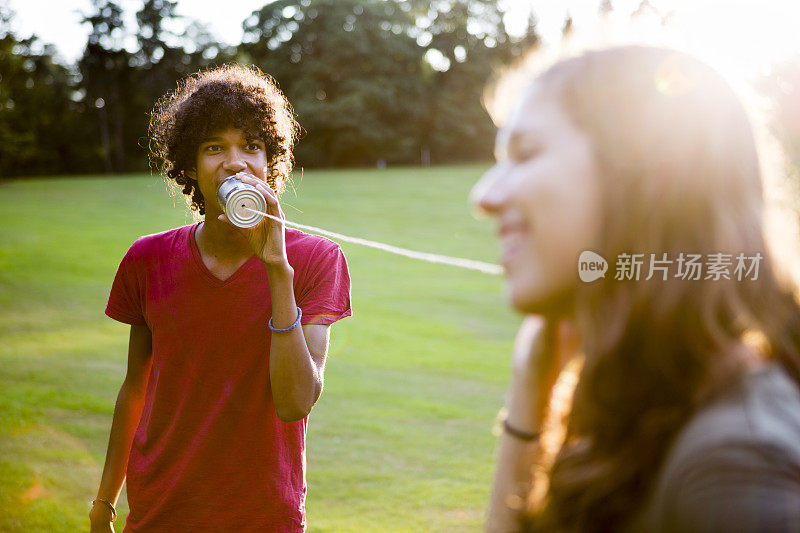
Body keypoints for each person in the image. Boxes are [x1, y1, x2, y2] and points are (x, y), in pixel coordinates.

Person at [472, 46, 800, 532]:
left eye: (527, 153)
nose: (485, 197)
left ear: (642, 176)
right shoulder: (640, 399)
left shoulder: (735, 464)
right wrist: (529, 395)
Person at [89, 65, 352, 532]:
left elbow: (295, 401)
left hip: (262, 517)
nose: (236, 162)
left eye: (251, 146)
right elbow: (136, 388)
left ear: (270, 163)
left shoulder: (315, 260)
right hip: (159, 512)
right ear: (189, 167)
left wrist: (276, 268)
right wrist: (105, 502)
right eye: (215, 147)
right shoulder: (147, 258)